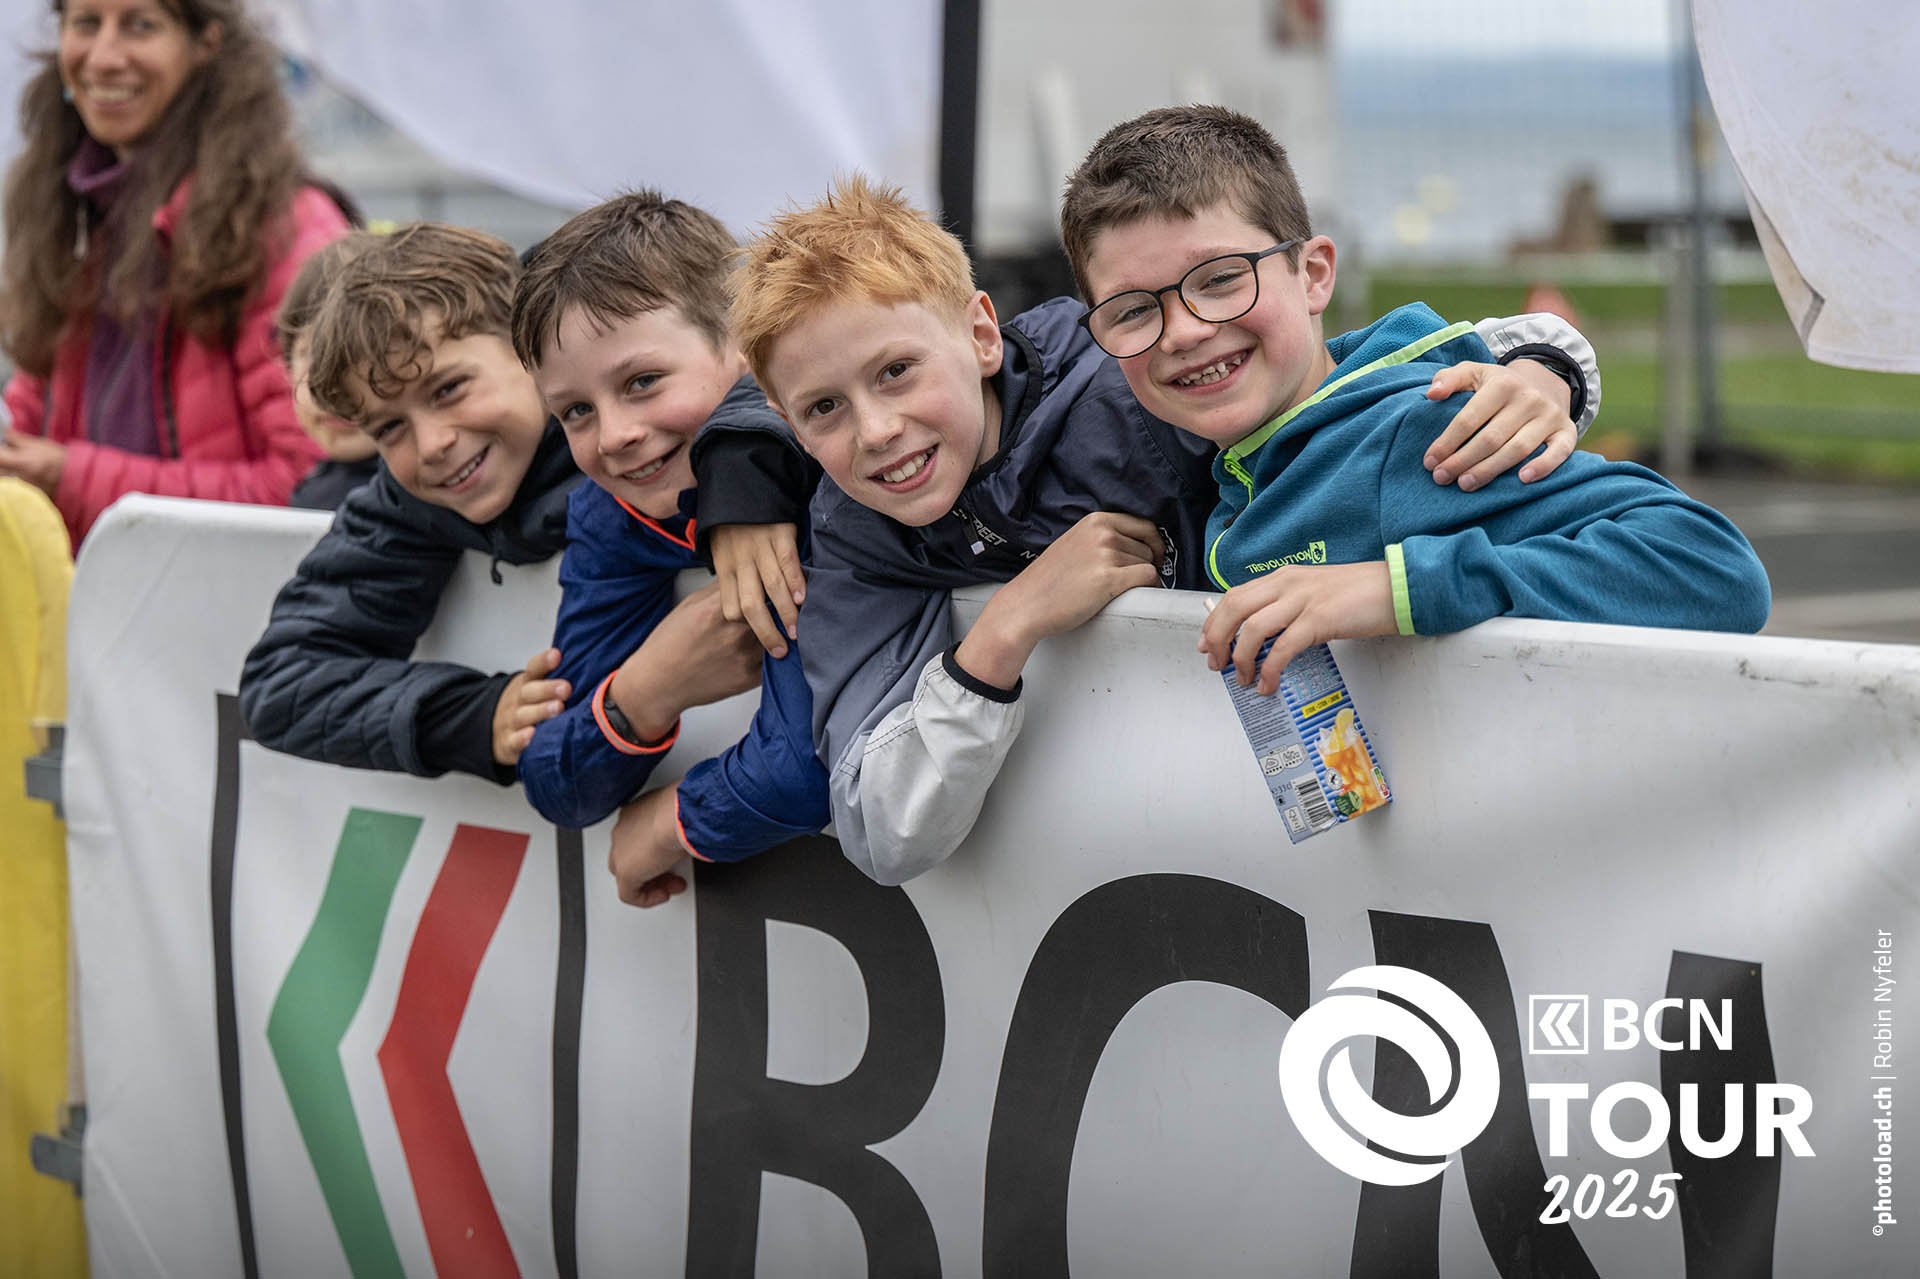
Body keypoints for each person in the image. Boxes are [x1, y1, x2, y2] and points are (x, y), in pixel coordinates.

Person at [721, 175, 1600, 885]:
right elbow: (882, 831)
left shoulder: (1130, 376)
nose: (877, 429)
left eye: (897, 372)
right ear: (790, 425)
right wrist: (1009, 625)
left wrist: (1541, 366)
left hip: (1424, 816)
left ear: (982, 334)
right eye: (825, 408)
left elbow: (1329, 369)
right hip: (1164, 872)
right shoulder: (851, 530)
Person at [1058, 105, 1769, 694]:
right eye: (1131, 310)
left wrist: (1393, 590)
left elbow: (1713, 567)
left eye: (1220, 279)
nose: (1185, 331)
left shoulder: (1416, 430)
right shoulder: (1223, 465)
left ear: (1314, 275)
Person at [509, 191, 828, 907]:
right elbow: (554, 780)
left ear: (743, 346)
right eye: (576, 411)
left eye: (642, 382)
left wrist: (668, 821)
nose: (615, 434)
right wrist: (648, 691)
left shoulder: (836, 464)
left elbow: (810, 761)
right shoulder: (609, 513)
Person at [238, 223, 578, 783]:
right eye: (390, 428)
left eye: (448, 389)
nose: (432, 444)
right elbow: (282, 684)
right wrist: (475, 717)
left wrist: (733, 490)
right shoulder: (404, 503)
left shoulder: (643, 443)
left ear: (527, 344)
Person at [0, 0, 349, 546]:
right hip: (91, 588)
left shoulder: (286, 226)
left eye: (140, 25)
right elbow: (31, 414)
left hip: (232, 593)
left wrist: (71, 477)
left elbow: (313, 485)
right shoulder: (73, 211)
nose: (105, 57)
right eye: (86, 22)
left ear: (206, 43)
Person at [276, 232, 384, 510]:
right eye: (311, 354)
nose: (332, 387)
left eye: (361, 356)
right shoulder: (321, 483)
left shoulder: (412, 504)